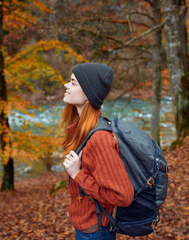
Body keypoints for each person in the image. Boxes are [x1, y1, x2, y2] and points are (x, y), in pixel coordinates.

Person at [61, 63, 134, 240]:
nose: (66, 85)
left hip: (95, 233)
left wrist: (77, 174)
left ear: (87, 92)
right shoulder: (83, 130)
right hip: (87, 229)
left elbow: (123, 196)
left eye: (73, 82)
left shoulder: (99, 138)